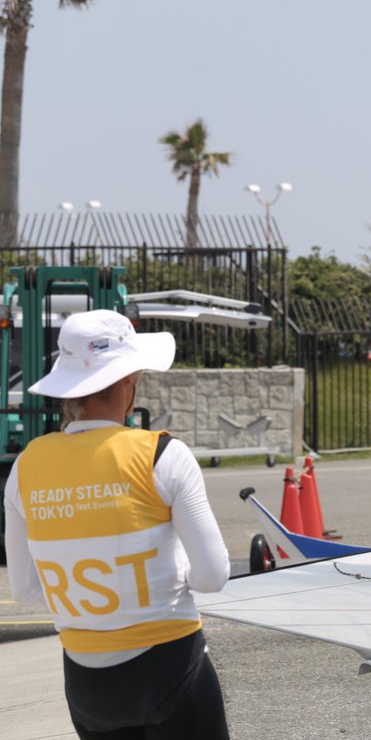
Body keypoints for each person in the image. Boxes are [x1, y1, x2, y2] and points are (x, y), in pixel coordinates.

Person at [2, 309, 231, 739]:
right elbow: (213, 575)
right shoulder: (161, 455)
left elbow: (26, 589)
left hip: (87, 686)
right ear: (128, 382)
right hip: (170, 666)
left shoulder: (26, 466)